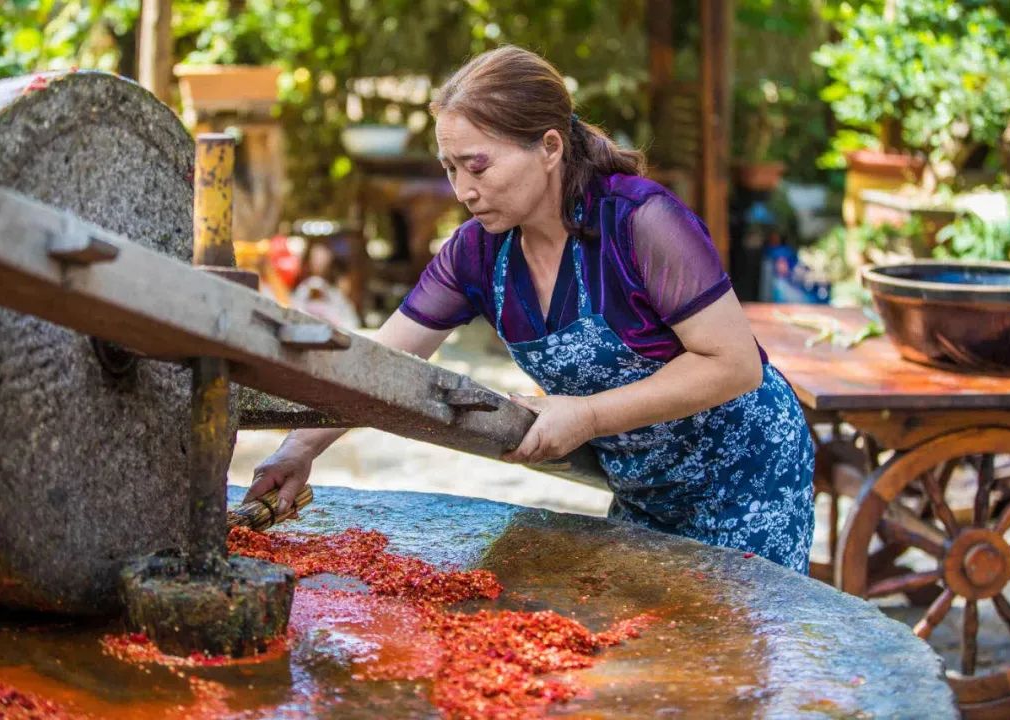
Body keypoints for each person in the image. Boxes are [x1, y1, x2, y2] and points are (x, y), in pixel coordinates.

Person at [246, 46, 815, 573]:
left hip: (746, 477)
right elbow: (378, 364)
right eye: (449, 168)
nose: (462, 190)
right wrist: (300, 446)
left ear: (548, 147)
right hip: (645, 488)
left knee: (733, 659)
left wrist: (588, 416)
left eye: (478, 165)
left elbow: (734, 363)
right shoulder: (478, 252)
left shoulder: (641, 223)